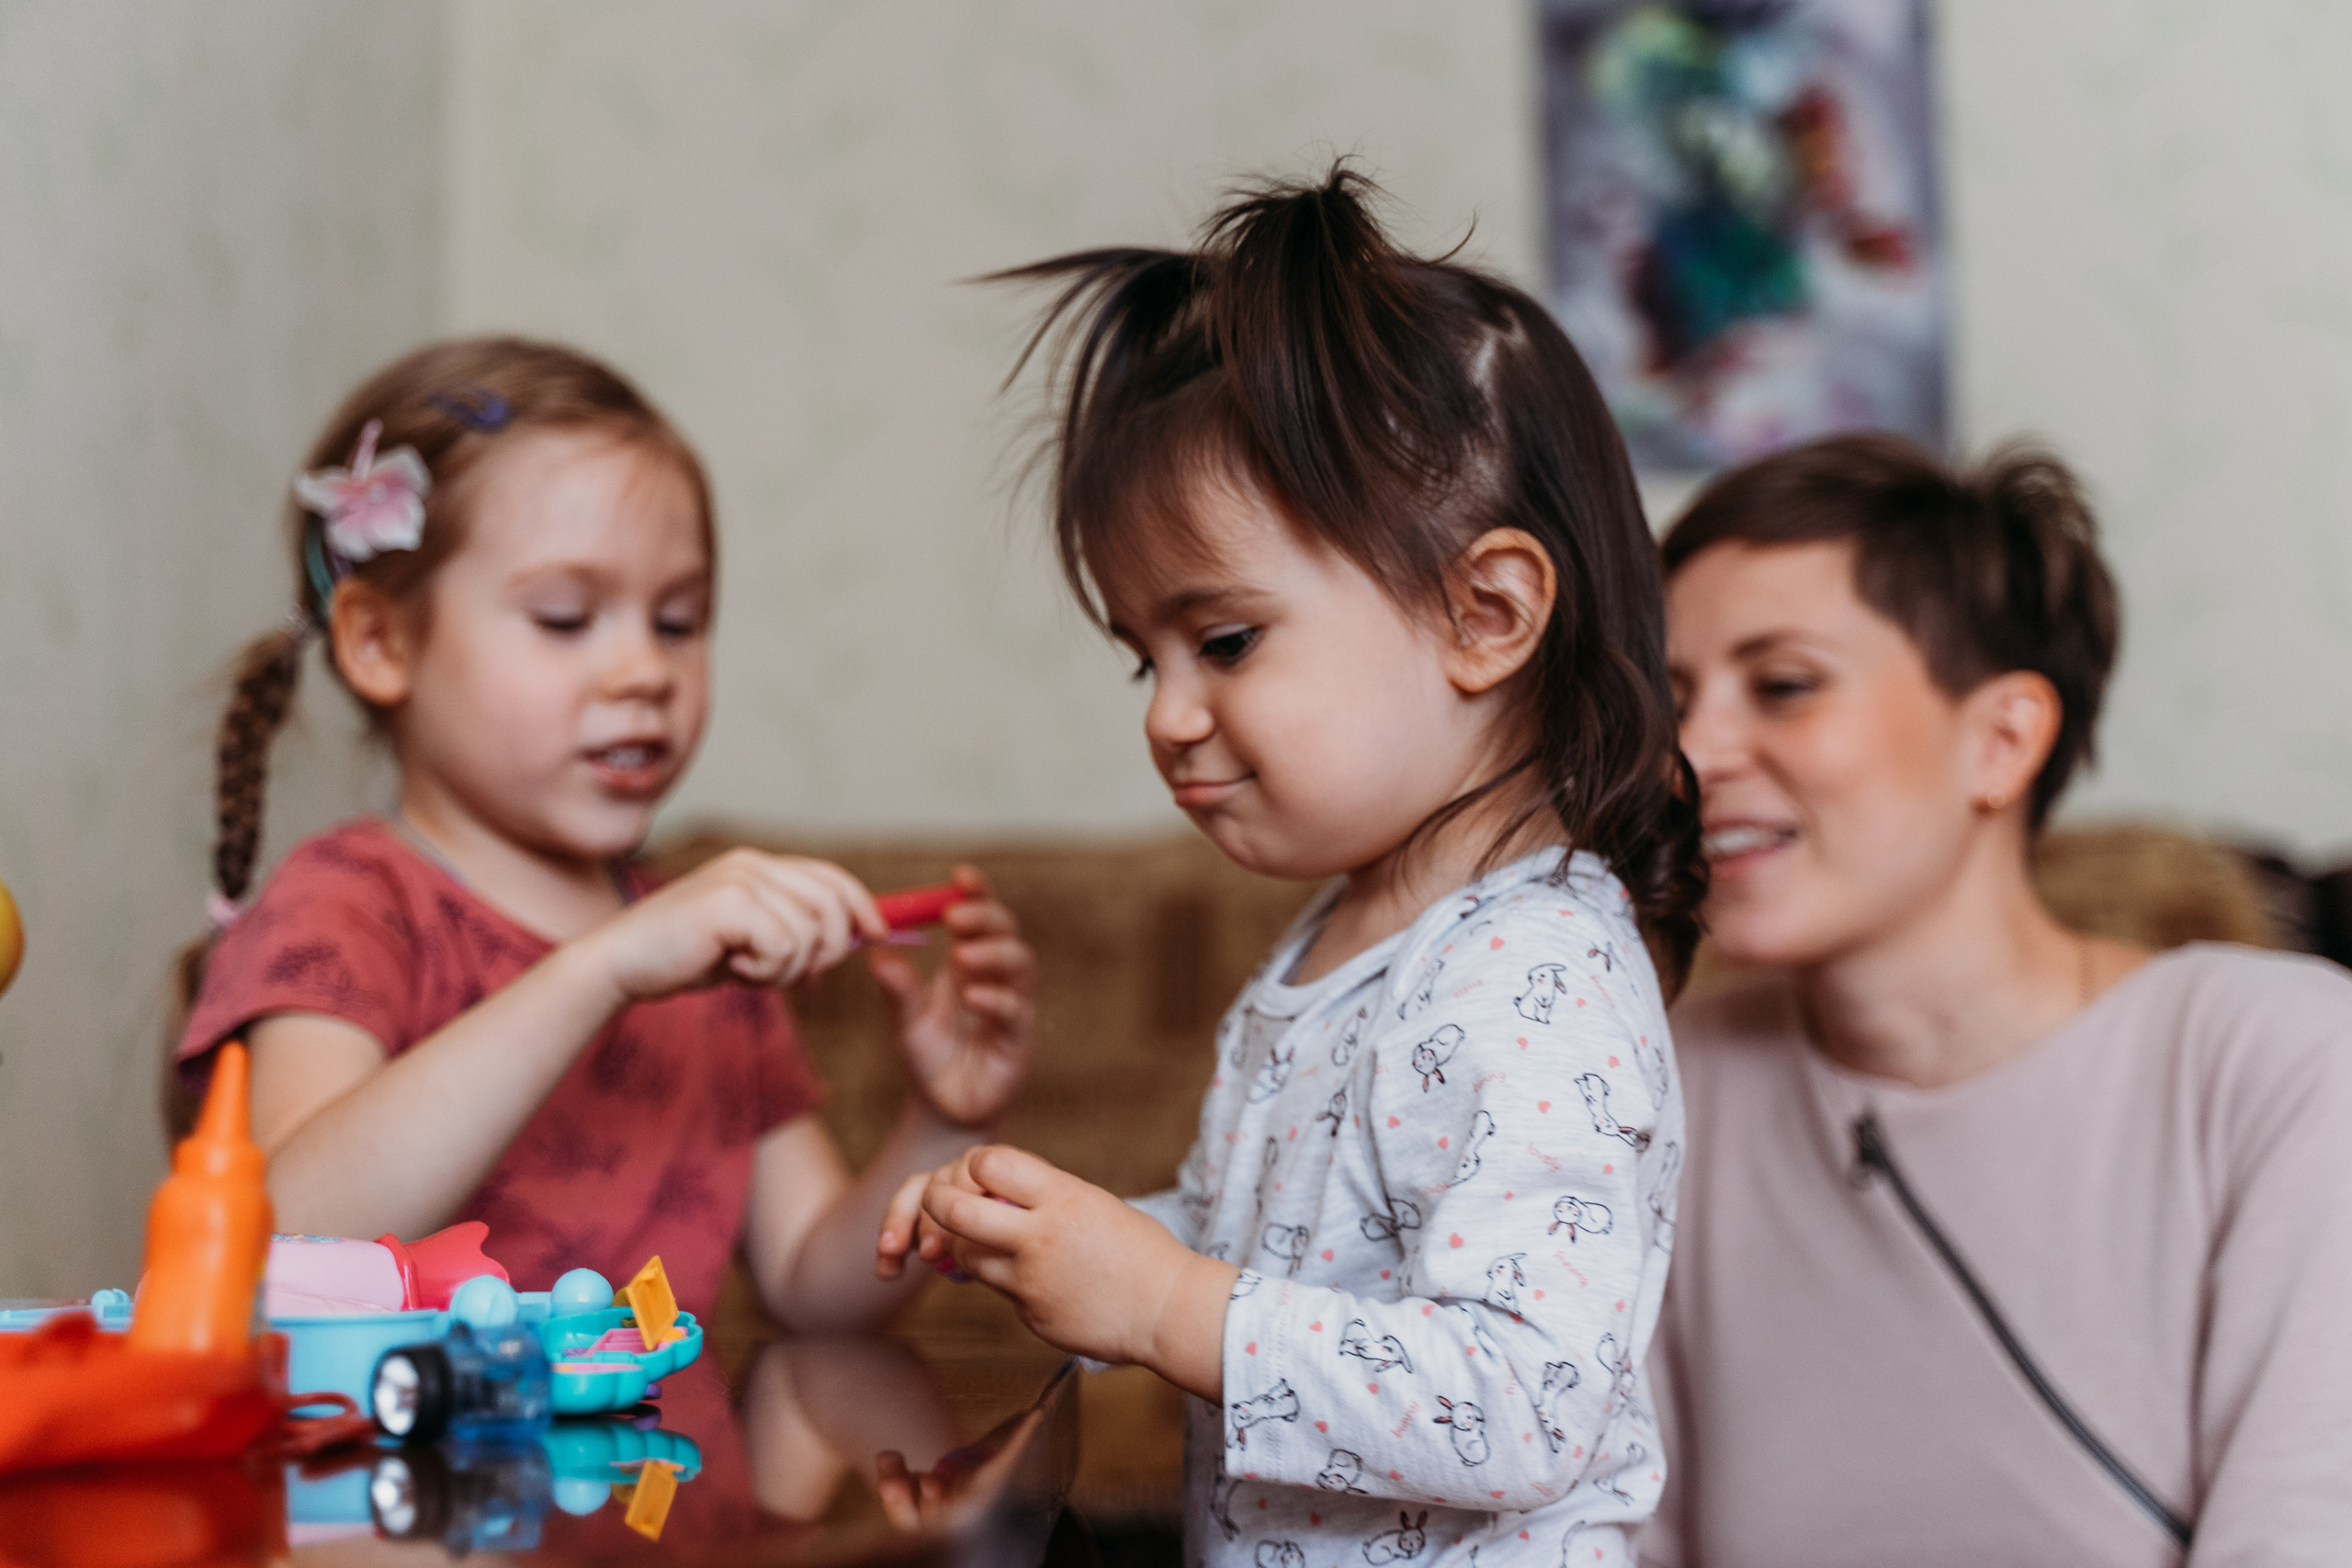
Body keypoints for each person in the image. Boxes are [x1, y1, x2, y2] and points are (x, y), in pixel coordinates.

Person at [875, 168, 1708, 1566]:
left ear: (1485, 612)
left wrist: (1157, 1301)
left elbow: (1520, 1401)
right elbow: (1267, 1243)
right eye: (1146, 657)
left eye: (1228, 641)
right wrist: (1065, 1236)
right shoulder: (1343, 936)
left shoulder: (1538, 968)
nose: (1166, 714)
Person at [171, 337, 1036, 1325]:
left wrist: (941, 1123)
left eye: (677, 621)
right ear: (380, 643)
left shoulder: (703, 947)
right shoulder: (345, 907)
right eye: (566, 617)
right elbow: (281, 1246)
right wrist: (602, 969)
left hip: (658, 1480)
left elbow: (811, 1287)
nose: (644, 672)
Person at [1645, 434, 2352, 1566]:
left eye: (1781, 685)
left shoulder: (2280, 1060)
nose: (1690, 751)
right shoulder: (1658, 1084)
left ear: (2002, 738)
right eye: (1669, 697)